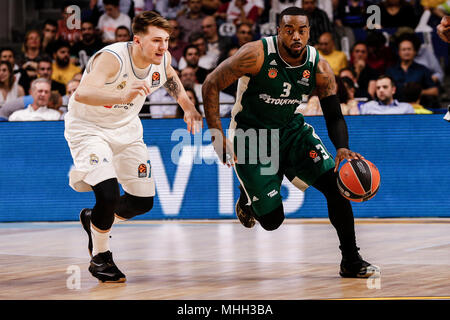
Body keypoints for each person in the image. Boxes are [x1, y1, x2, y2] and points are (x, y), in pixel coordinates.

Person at [202, 6, 379, 278]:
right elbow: (211, 83)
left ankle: (351, 260)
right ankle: (248, 197)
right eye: (289, 30)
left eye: (302, 30)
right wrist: (216, 134)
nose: (296, 36)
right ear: (279, 31)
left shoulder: (319, 66)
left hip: (292, 131)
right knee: (273, 221)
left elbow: (333, 114)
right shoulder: (255, 54)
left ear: (309, 32)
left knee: (336, 188)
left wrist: (342, 147)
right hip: (253, 136)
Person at [64, 11, 202, 283]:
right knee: (107, 193)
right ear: (137, 41)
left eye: (166, 40)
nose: (163, 47)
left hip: (126, 130)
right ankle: (101, 257)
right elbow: (82, 93)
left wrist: (187, 107)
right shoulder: (112, 58)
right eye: (156, 41)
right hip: (89, 129)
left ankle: (94, 220)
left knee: (142, 202)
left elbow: (171, 78)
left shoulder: (161, 60)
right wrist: (121, 94)